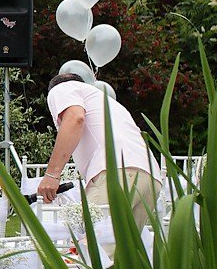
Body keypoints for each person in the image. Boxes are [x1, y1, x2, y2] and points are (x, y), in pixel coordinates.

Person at [37, 74, 157, 222]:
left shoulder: (62, 88)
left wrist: (52, 175)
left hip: (117, 173)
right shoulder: (110, 104)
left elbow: (75, 118)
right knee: (121, 239)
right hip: (150, 177)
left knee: (91, 235)